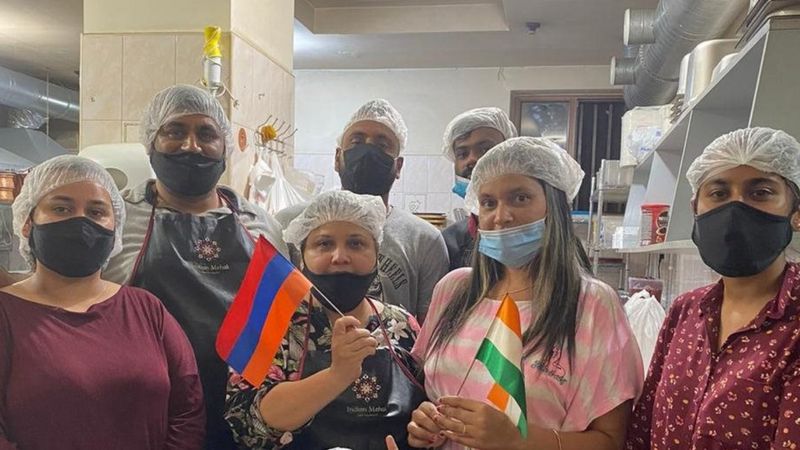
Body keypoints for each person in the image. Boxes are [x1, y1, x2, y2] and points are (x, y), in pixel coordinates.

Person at [408, 137, 644, 450]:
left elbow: (610, 440)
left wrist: (517, 440)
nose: (501, 216)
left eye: (520, 198)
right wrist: (424, 423)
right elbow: (429, 392)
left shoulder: (591, 305)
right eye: (488, 203)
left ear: (554, 208)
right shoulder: (454, 290)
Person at [102, 84, 288, 450]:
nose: (191, 146)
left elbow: (283, 323)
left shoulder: (261, 225)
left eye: (206, 134)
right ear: (151, 142)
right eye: (174, 132)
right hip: (150, 414)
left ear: (224, 147)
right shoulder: (118, 218)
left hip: (249, 413)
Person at [0, 155, 204, 449]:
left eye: (96, 212)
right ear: (28, 223)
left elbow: (188, 408)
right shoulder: (7, 314)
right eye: (61, 208)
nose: (81, 221)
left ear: (115, 228)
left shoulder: (147, 310)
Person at [626, 127, 800, 450]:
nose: (736, 210)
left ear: (796, 213)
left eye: (760, 192)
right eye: (719, 193)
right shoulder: (685, 311)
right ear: (696, 209)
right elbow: (642, 430)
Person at [226, 190, 423, 449]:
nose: (340, 257)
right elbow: (246, 423)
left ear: (377, 255)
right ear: (302, 257)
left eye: (356, 244)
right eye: (324, 244)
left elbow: (425, 408)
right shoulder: (271, 319)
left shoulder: (402, 325)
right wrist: (336, 376)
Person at [276, 99, 449, 322]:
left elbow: (430, 330)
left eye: (382, 145)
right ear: (337, 158)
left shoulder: (424, 240)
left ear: (398, 166)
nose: (367, 151)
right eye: (356, 142)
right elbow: (268, 310)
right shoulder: (289, 224)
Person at [440, 107, 517, 270]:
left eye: (485, 149)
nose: (472, 159)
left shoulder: (534, 236)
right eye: (462, 154)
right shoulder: (448, 243)